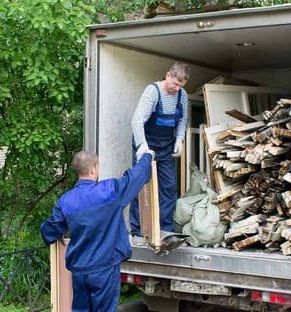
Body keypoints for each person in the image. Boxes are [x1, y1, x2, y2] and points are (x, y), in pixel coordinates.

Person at [40, 147, 154, 312]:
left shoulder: (66, 201)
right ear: (93, 168)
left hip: (79, 271)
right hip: (104, 269)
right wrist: (147, 157)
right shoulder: (109, 191)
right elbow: (135, 177)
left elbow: (48, 231)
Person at [129, 62, 189, 242]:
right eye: (175, 84)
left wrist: (179, 139)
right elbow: (137, 120)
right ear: (168, 75)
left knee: (169, 187)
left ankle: (165, 229)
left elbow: (182, 119)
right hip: (147, 144)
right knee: (141, 185)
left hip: (167, 145)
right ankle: (138, 230)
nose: (177, 88)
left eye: (181, 86)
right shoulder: (152, 92)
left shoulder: (182, 96)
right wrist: (142, 146)